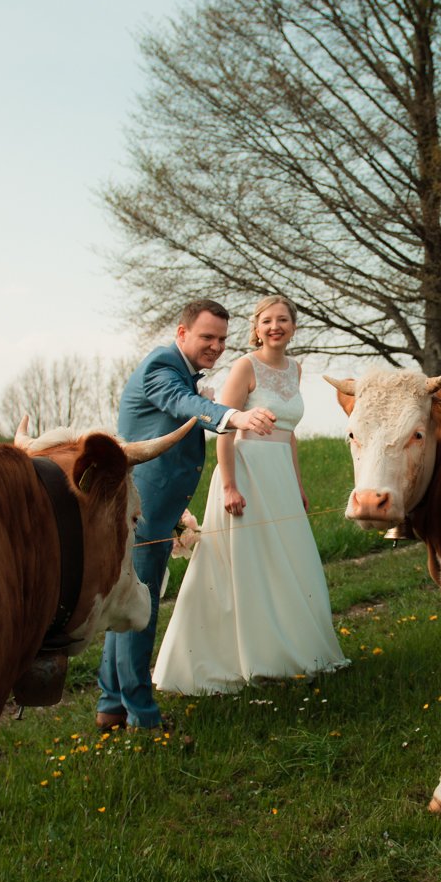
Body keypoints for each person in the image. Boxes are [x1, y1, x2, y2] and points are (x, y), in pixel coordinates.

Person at [153, 295, 349, 694]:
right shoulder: (245, 366)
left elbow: (289, 433)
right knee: (248, 566)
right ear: (256, 328)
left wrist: (297, 485)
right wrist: (228, 486)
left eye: (283, 320)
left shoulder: (296, 369)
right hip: (246, 473)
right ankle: (246, 658)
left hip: (280, 475)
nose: (275, 326)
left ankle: (294, 649)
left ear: (293, 326)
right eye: (267, 321)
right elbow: (224, 427)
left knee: (289, 564)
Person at [97, 299, 277, 732]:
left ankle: (110, 705)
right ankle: (142, 715)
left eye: (221, 339)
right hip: (141, 513)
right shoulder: (163, 365)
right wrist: (234, 415)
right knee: (138, 611)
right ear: (182, 334)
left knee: (127, 606)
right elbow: (180, 403)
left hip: (155, 510)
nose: (215, 347)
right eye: (206, 337)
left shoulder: (185, 373)